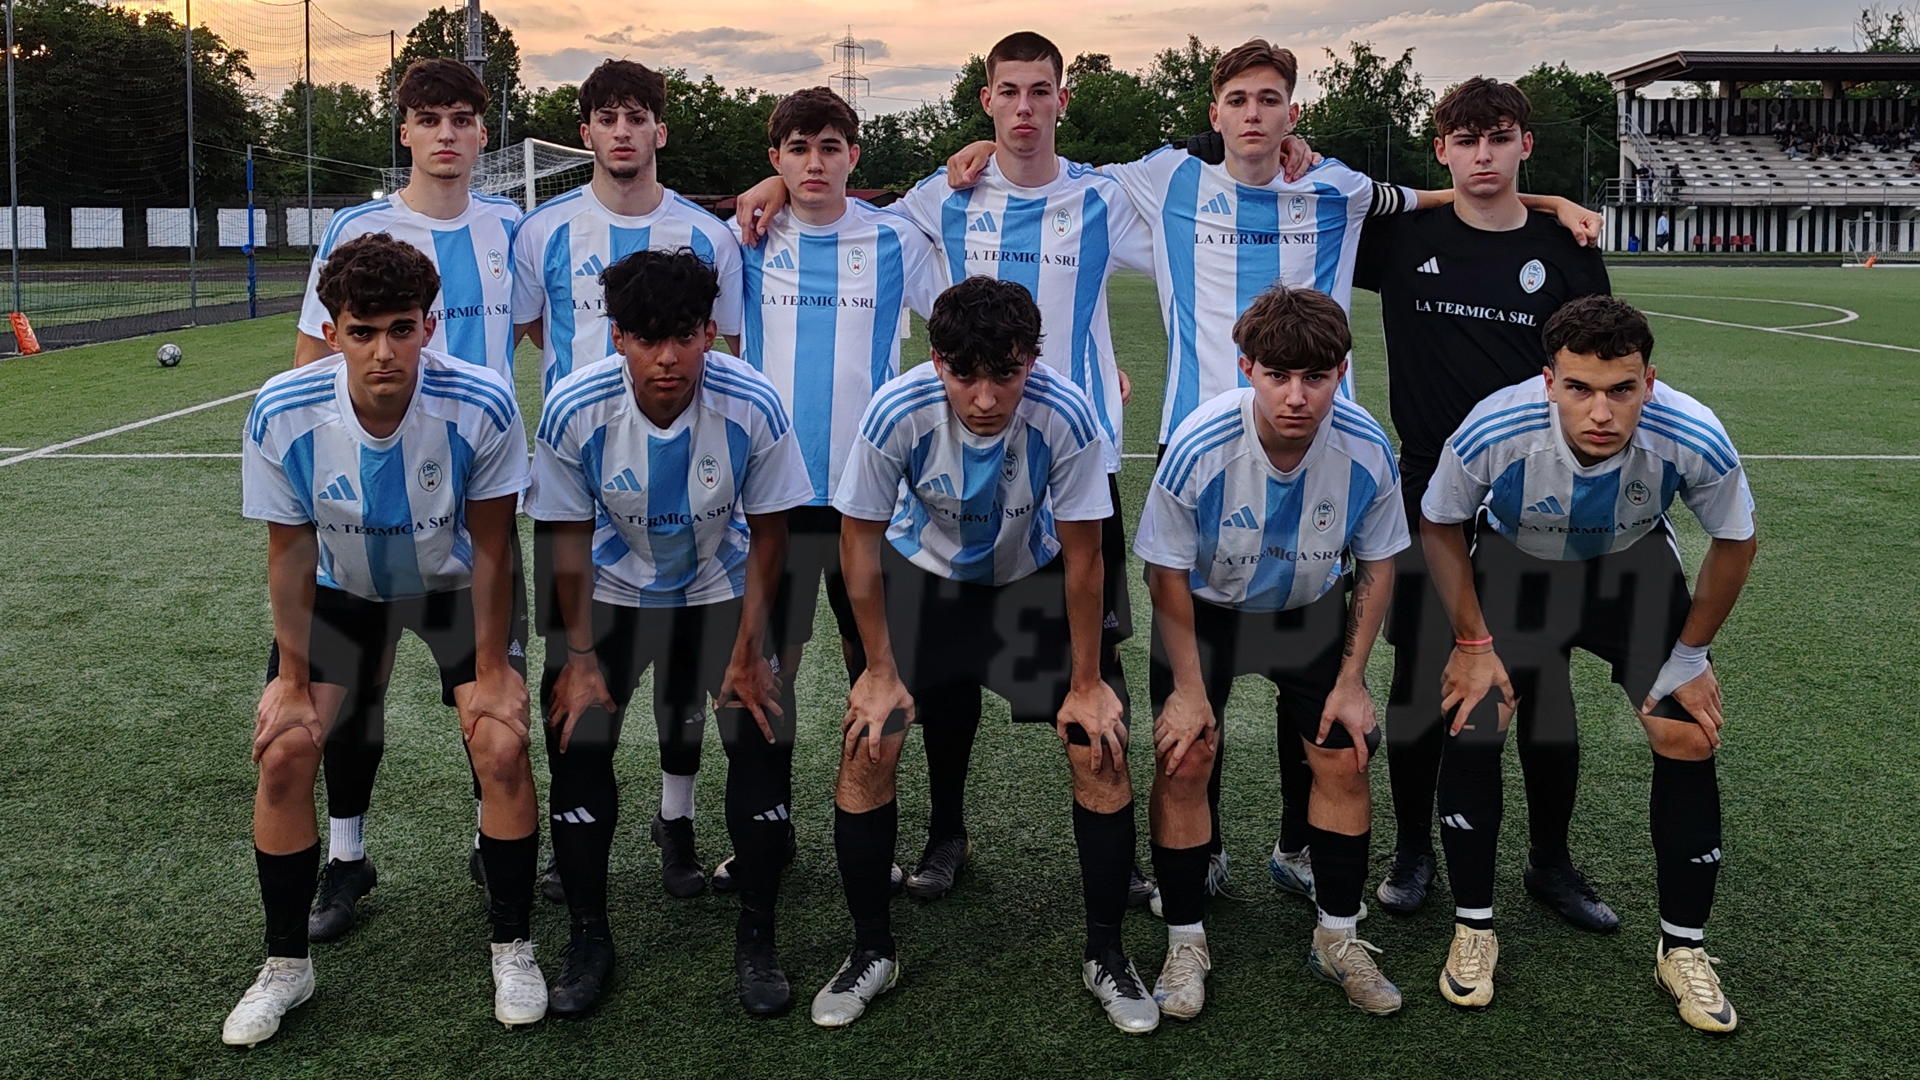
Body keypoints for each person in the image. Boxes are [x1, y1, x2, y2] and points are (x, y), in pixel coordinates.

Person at [943, 40, 1600, 910]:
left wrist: (1549, 201)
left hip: (1318, 457)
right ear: (1214, 112)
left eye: (1270, 100)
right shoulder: (1163, 179)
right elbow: (1043, 164)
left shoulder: (1336, 188)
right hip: (1198, 459)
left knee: (1310, 664)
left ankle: (1298, 844)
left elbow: (1449, 193)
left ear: (1294, 114)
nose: (1254, 114)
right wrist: (985, 146)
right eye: (1239, 99)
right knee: (1194, 673)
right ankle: (1203, 848)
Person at [733, 32, 1158, 907]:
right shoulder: (937, 200)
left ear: (1062, 98)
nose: (1025, 107)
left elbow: (1194, 197)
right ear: (986, 99)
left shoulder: (1103, 196)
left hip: (1072, 459)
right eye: (1009, 91)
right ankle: (901, 834)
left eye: (1041, 90)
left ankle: (1112, 856)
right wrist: (777, 183)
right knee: (908, 667)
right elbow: (840, 207)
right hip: (932, 463)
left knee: (1094, 664)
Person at [225, 233, 542, 1046]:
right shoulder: (284, 408)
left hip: (454, 585)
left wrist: (494, 670)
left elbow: (495, 547)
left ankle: (514, 947)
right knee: (286, 748)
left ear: (428, 327)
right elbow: (289, 553)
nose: (383, 352)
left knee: (501, 741)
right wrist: (292, 682)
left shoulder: (481, 402)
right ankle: (285, 966)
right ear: (331, 332)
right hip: (341, 588)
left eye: (402, 329)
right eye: (362, 332)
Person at [814, 276, 1151, 1034]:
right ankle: (870, 951)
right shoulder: (896, 409)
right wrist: (877, 672)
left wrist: (1087, 681)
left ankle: (1108, 954)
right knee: (870, 741)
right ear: (937, 361)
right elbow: (857, 544)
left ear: (1032, 358)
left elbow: (1087, 557)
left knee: (1099, 743)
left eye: (1007, 373)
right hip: (923, 581)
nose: (987, 397)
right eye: (965, 375)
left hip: (1029, 583)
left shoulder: (1066, 411)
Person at [1419, 295, 1755, 1033]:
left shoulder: (1690, 431)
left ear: (1649, 383)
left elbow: (1736, 539)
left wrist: (1690, 655)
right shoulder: (1496, 427)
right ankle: (1474, 927)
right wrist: (1472, 645)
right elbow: (1440, 523)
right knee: (1476, 716)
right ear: (1549, 382)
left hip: (1629, 571)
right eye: (1578, 388)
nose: (1600, 412)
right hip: (1517, 567)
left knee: (1687, 733)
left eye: (1621, 390)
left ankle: (1683, 949)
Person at [1350, 77, 1614, 928]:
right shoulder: (1401, 237)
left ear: (1525, 144)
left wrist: (1554, 207)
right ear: (1442, 151)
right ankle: (1413, 851)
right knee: (1421, 678)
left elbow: (1595, 365)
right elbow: (1306, 204)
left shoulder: (1565, 247)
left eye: (1500, 138)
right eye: (1466, 141)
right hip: (1427, 487)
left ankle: (1551, 862)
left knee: (1542, 677)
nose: (1483, 155)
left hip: (1536, 490)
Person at [528, 248, 813, 1017]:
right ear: (617, 336)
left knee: (761, 734)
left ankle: (758, 937)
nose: (667, 357)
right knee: (578, 739)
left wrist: (751, 651)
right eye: (648, 338)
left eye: (684, 336)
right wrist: (578, 656)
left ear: (710, 333)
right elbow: (562, 537)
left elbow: (774, 533)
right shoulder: (574, 407)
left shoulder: (752, 402)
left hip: (722, 584)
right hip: (611, 590)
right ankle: (589, 939)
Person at [289, 58, 527, 943]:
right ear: (406, 131)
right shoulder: (358, 225)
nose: (447, 135)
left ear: (483, 132)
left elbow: (555, 328)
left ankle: (489, 843)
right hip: (367, 510)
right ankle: (347, 857)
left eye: (463, 118)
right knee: (354, 694)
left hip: (477, 515)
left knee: (489, 695)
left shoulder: (513, 227)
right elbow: (313, 358)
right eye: (430, 119)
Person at [1135, 285, 1407, 1020]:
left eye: (1315, 377)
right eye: (1278, 375)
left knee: (1346, 754)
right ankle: (1185, 941)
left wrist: (1353, 680)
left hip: (1308, 612)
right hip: (1205, 614)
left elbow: (1378, 562)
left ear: (1341, 372)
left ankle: (1338, 938)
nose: (1296, 397)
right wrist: (1188, 690)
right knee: (1185, 755)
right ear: (1246, 368)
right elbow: (1164, 570)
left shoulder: (1366, 447)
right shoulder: (1199, 444)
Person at [512, 59, 748, 902]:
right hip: (583, 492)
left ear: (659, 131)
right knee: (576, 679)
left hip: (692, 494)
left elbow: (725, 345)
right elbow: (535, 329)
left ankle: (676, 822)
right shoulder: (541, 232)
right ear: (584, 133)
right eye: (606, 117)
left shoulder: (708, 235)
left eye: (636, 116)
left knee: (682, 681)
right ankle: (570, 841)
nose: (622, 131)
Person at [712, 86, 943, 894]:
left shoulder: (896, 239)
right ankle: (766, 833)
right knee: (762, 670)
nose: (815, 162)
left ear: (854, 157)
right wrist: (762, 196)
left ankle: (871, 836)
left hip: (866, 500)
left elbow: (961, 323)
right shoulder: (743, 237)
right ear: (774, 159)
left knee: (873, 669)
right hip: (768, 501)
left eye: (830, 147)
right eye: (798, 149)